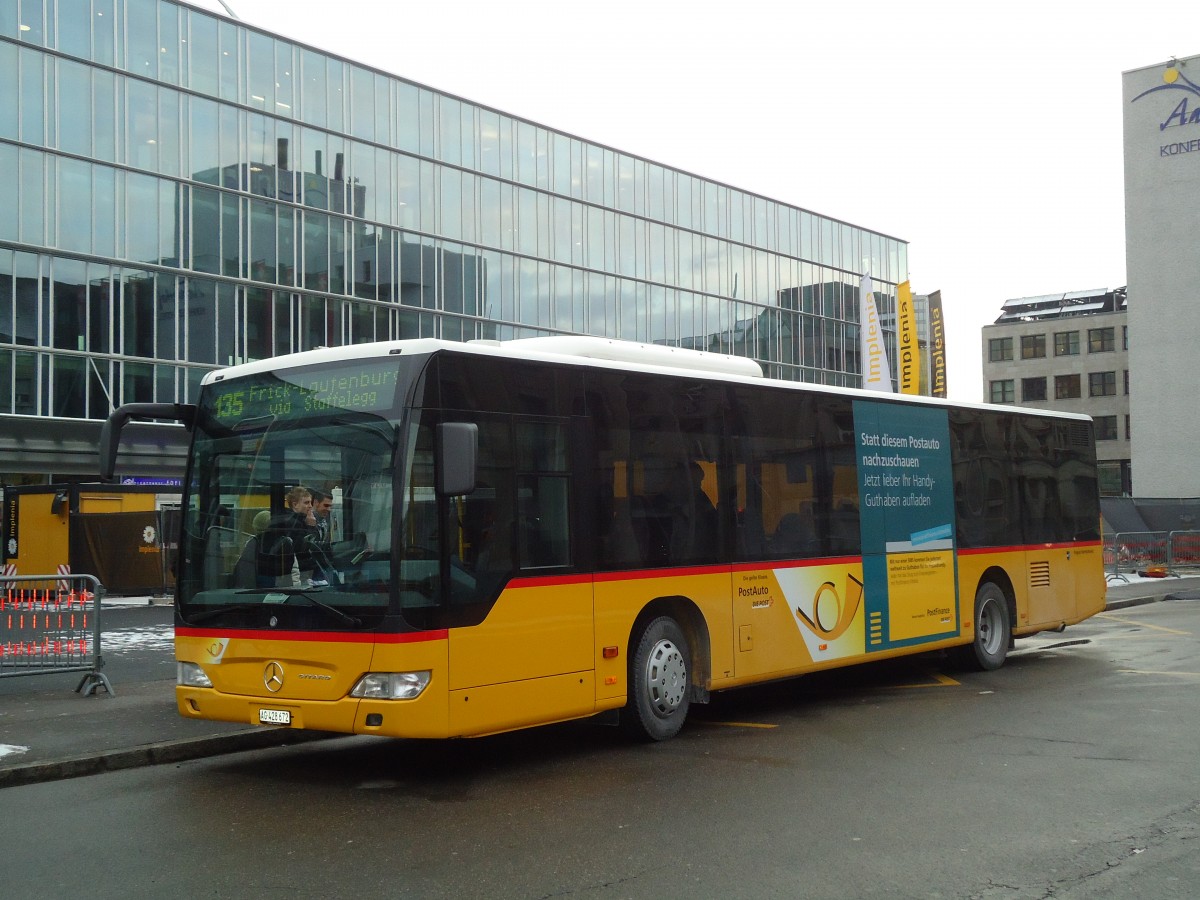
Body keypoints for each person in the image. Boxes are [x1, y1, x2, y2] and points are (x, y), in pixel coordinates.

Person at [257, 487, 318, 588]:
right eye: (306, 503)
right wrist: (311, 527)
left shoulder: (286, 520)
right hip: (297, 572)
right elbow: (303, 549)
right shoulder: (295, 524)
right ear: (295, 505)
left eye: (310, 503)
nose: (310, 506)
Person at [308, 489, 337, 586]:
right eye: (326, 505)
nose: (329, 509)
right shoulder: (308, 520)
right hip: (311, 568)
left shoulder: (325, 520)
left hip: (321, 565)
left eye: (330, 506)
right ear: (316, 503)